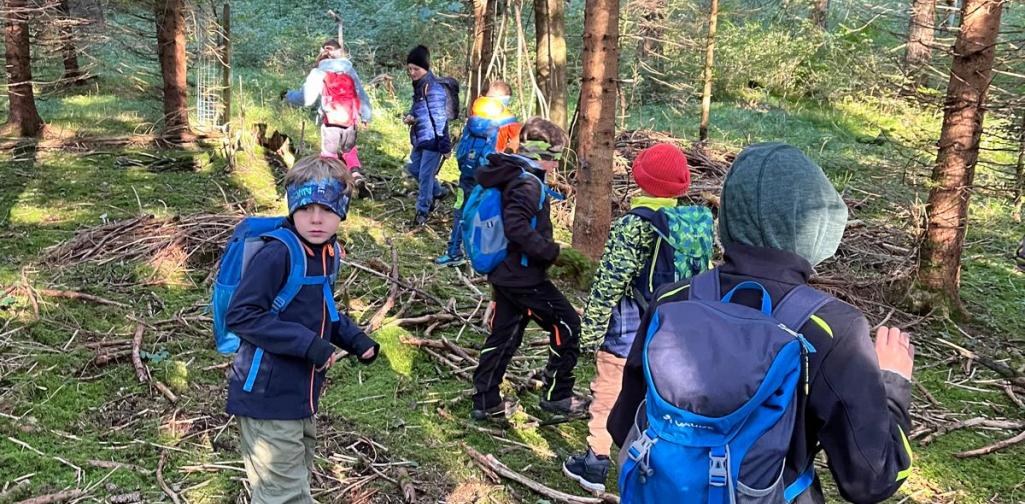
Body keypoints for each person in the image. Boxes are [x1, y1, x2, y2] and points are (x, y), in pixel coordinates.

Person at [607, 143, 915, 503]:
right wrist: (892, 386)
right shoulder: (834, 328)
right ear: (818, 223)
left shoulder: (673, 299)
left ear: (731, 214)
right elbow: (871, 479)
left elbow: (623, 424)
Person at [226, 155, 380, 503]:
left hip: (300, 394)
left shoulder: (327, 252)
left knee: (292, 484)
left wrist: (354, 340)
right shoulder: (277, 254)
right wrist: (309, 344)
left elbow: (324, 308)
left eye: (326, 209)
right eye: (306, 207)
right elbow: (242, 315)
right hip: (266, 395)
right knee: (285, 496)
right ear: (292, 206)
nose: (315, 218)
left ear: (342, 211)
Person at [562, 143, 715, 493]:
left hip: (628, 330)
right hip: (676, 334)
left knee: (609, 391)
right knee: (655, 398)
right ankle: (651, 466)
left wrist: (590, 334)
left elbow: (608, 283)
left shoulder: (634, 225)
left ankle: (595, 464)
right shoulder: (697, 224)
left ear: (640, 180)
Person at [470, 118, 589, 420]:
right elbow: (517, 228)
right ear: (543, 155)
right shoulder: (525, 182)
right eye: (557, 156)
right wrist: (553, 253)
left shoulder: (514, 173)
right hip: (522, 276)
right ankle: (557, 395)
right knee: (568, 324)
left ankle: (486, 400)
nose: (557, 164)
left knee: (505, 334)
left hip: (507, 272)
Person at [436, 80, 522, 266]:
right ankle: (484, 257)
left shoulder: (475, 113)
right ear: (505, 99)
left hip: (466, 172)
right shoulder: (510, 122)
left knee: (461, 208)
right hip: (490, 176)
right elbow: (515, 152)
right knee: (487, 214)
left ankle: (453, 251)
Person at [283, 39, 373, 185]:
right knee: (349, 150)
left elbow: (306, 99)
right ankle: (356, 175)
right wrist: (366, 116)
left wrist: (288, 96)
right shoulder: (349, 69)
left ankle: (334, 184)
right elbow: (360, 94)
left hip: (330, 121)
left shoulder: (319, 72)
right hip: (351, 120)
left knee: (329, 155)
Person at [404, 45, 451, 227]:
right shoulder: (420, 86)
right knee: (413, 169)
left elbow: (440, 120)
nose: (412, 72)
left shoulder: (433, 89)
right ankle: (438, 191)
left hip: (433, 141)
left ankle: (422, 212)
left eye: (416, 68)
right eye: (410, 69)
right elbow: (419, 109)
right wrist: (411, 117)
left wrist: (445, 148)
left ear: (426, 67)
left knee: (424, 177)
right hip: (420, 138)